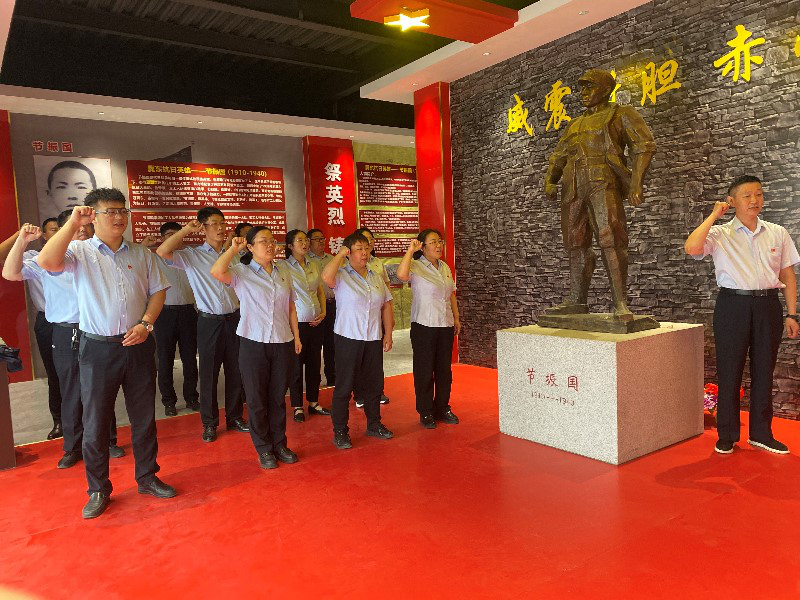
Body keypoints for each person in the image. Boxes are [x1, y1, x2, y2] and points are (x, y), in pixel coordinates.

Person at [37, 188, 177, 519]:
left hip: (138, 344)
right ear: (94, 217)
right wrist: (73, 223)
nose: (118, 217)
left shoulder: (141, 254)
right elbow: (46, 261)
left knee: (144, 416)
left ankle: (147, 477)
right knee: (96, 420)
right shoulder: (79, 250)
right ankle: (98, 488)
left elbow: (158, 292)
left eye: (122, 211)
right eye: (110, 211)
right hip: (97, 348)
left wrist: (146, 324)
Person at [685, 175, 800, 455]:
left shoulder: (777, 232)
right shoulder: (719, 233)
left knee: (764, 370)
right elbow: (692, 248)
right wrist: (713, 215)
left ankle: (761, 434)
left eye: (758, 194)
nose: (754, 200)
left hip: (768, 305)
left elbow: (787, 274)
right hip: (732, 305)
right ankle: (727, 434)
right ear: (732, 201)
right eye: (747, 195)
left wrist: (792, 314)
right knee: (729, 370)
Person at [3, 215, 123, 468]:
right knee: (69, 388)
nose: (82, 229)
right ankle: (73, 446)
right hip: (65, 330)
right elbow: (10, 272)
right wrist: (22, 240)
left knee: (100, 388)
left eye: (86, 225)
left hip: (97, 330)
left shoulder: (100, 256)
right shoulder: (47, 259)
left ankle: (107, 440)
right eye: (75, 225)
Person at [544, 68, 656, 317]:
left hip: (602, 181)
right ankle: (576, 300)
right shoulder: (575, 124)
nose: (583, 92)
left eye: (589, 87)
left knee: (611, 238)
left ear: (606, 90)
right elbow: (559, 155)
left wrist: (636, 183)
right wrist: (550, 180)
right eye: (582, 88)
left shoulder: (621, 114)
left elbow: (644, 146)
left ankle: (620, 303)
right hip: (573, 185)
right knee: (575, 242)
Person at [210, 227, 301, 469]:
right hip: (253, 342)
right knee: (257, 398)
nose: (270, 245)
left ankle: (280, 444)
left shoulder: (284, 271)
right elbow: (216, 271)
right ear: (250, 247)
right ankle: (264, 448)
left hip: (282, 340)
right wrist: (233, 249)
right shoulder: (241, 272)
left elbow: (291, 306)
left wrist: (296, 337)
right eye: (263, 241)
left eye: (272, 241)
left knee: (278, 397)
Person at [156, 207, 249, 442]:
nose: (221, 227)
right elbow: (163, 251)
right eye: (214, 223)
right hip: (209, 322)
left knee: (236, 370)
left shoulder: (233, 254)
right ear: (203, 227)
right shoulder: (192, 256)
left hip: (235, 319)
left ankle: (235, 416)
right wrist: (187, 229)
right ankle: (209, 422)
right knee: (208, 374)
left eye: (223, 222)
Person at [321, 231, 394, 449]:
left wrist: (388, 333)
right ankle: (340, 431)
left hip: (372, 337)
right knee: (344, 386)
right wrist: (340, 254)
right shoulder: (341, 275)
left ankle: (374, 424)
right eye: (359, 249)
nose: (364, 253)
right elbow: (325, 277)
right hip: (348, 338)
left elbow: (386, 305)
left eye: (367, 248)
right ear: (349, 252)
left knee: (374, 384)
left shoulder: (375, 276)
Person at [0, 219, 63, 439]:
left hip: (78, 321)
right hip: (48, 321)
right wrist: (20, 235)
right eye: (54, 230)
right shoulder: (32, 257)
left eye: (62, 229)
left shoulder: (75, 254)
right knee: (54, 373)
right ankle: (59, 421)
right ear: (44, 235)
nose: (59, 233)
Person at [397, 230, 461, 428]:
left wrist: (456, 318)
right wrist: (410, 251)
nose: (438, 245)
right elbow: (401, 275)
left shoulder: (444, 267)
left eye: (440, 241)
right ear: (423, 247)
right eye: (433, 242)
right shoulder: (415, 266)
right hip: (424, 325)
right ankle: (425, 411)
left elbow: (451, 294)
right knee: (424, 371)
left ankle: (442, 407)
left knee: (444, 371)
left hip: (445, 324)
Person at [143, 223, 200, 416]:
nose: (173, 238)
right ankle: (169, 401)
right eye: (169, 234)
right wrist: (144, 244)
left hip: (188, 313)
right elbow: (134, 258)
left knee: (190, 358)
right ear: (162, 238)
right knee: (165, 359)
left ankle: (192, 397)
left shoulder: (189, 258)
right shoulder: (154, 258)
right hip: (164, 314)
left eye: (177, 234)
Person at [283, 230, 330, 422]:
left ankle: (313, 402)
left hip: (316, 322)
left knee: (314, 364)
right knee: (295, 366)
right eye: (299, 240)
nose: (305, 243)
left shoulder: (314, 264)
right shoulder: (283, 267)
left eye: (306, 240)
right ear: (290, 246)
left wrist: (323, 312)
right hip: (297, 325)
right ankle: (297, 406)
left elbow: (320, 291)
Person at [353, 227, 391, 407]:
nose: (367, 245)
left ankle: (378, 391)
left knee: (375, 357)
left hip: (377, 314)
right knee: (358, 358)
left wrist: (389, 316)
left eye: (370, 240)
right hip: (357, 319)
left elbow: (386, 288)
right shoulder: (349, 266)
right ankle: (359, 394)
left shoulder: (378, 264)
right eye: (363, 241)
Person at [308, 228, 336, 387]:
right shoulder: (306, 260)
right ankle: (315, 380)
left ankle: (332, 378)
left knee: (332, 344)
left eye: (322, 238)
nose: (320, 242)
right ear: (309, 242)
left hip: (333, 305)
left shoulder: (332, 259)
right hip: (316, 308)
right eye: (316, 239)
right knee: (315, 345)